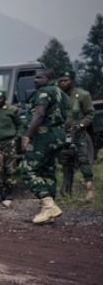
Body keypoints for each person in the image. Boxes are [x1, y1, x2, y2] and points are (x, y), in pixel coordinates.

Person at [21, 69, 70, 224]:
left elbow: (39, 114)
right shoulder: (60, 92)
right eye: (34, 78)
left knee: (28, 169)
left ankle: (48, 206)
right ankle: (48, 212)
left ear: (49, 78)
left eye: (39, 77)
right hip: (58, 135)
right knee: (47, 170)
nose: (35, 80)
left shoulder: (44, 93)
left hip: (44, 135)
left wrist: (27, 135)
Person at [57, 72, 95, 200]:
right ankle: (66, 191)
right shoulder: (57, 96)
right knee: (66, 162)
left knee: (83, 159)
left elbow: (90, 114)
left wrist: (81, 125)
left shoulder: (82, 95)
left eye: (66, 80)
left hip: (78, 133)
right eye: (61, 80)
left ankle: (90, 189)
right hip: (63, 134)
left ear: (72, 81)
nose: (63, 83)